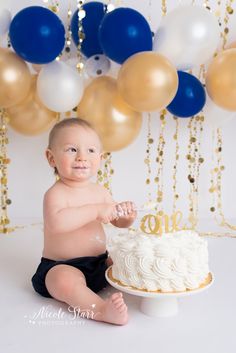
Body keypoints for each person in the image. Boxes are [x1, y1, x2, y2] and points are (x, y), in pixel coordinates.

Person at [31, 118, 137, 325]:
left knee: (127, 260)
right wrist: (96, 210)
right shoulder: (56, 194)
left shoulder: (100, 191)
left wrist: (125, 217)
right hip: (62, 266)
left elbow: (116, 221)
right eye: (71, 149)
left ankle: (147, 286)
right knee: (63, 281)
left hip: (100, 263)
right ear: (51, 158)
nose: (82, 157)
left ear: (100, 157)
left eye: (90, 150)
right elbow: (57, 223)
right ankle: (100, 310)